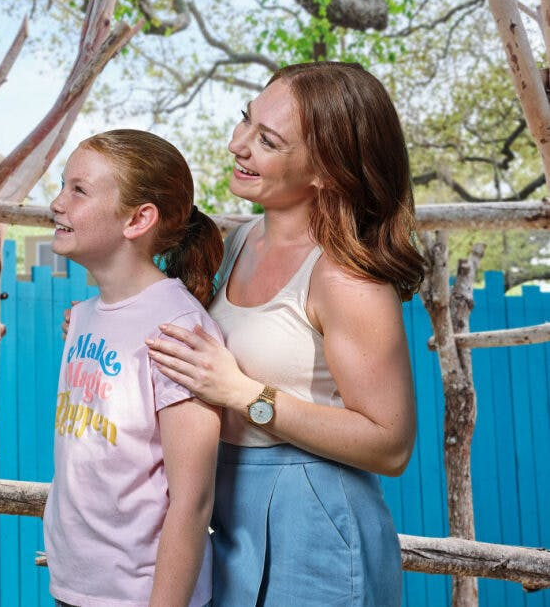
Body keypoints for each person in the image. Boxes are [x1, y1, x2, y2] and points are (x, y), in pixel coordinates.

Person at [145, 61, 426, 607]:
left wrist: (245, 394)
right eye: (245, 121)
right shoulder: (235, 242)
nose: (236, 144)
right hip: (220, 503)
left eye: (267, 140)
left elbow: (391, 445)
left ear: (327, 170)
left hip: (312, 518)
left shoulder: (345, 278)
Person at [45, 129, 226, 607]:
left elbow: (192, 503)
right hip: (75, 588)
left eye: (78, 190)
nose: (57, 202)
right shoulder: (83, 317)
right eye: (63, 185)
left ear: (138, 218)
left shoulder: (179, 330)